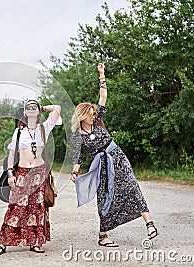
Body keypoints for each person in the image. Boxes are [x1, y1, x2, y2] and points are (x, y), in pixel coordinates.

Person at [70, 63, 158, 247]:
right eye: (90, 114)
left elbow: (103, 96)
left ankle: (149, 224)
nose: (93, 116)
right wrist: (74, 171)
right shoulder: (77, 136)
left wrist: (101, 75)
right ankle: (103, 236)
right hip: (100, 165)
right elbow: (78, 156)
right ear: (82, 116)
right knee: (105, 197)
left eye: (94, 113)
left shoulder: (99, 121)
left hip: (116, 156)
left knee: (131, 186)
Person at [0, 99, 61, 255]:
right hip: (22, 172)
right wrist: (10, 173)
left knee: (37, 208)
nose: (30, 109)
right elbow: (12, 153)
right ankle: (3, 243)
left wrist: (41, 107)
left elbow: (57, 108)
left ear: (38, 111)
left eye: (33, 107)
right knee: (15, 207)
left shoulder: (44, 128)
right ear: (24, 112)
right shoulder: (18, 132)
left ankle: (35, 242)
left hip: (39, 172)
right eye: (28, 107)